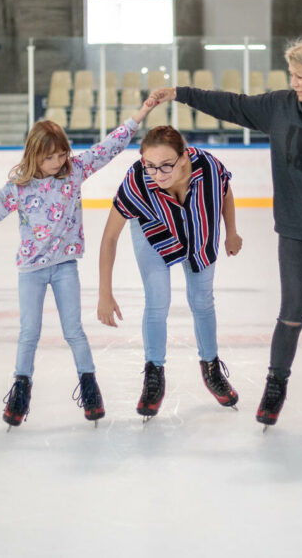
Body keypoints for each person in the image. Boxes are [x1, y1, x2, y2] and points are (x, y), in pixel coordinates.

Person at [146, 37, 302, 430]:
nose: (294, 82)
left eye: (300, 76)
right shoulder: (281, 107)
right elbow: (233, 105)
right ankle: (275, 386)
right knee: (291, 314)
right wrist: (181, 93)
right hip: (296, 230)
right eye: (291, 75)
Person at [0, 99, 155, 429]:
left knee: (74, 331)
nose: (57, 161)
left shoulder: (74, 171)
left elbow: (109, 147)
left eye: (61, 154)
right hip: (31, 271)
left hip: (65, 267)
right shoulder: (19, 188)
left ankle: (90, 388)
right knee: (29, 333)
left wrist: (140, 115)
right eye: (50, 157)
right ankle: (21, 391)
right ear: (35, 154)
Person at [97, 125, 243, 421]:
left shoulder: (209, 167)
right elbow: (110, 237)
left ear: (185, 157)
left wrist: (232, 232)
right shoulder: (137, 181)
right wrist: (104, 293)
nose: (158, 174)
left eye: (166, 165)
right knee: (157, 300)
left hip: (199, 230)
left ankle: (211, 368)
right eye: (150, 165)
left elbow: (225, 192)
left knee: (202, 301)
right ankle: (154, 374)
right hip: (154, 231)